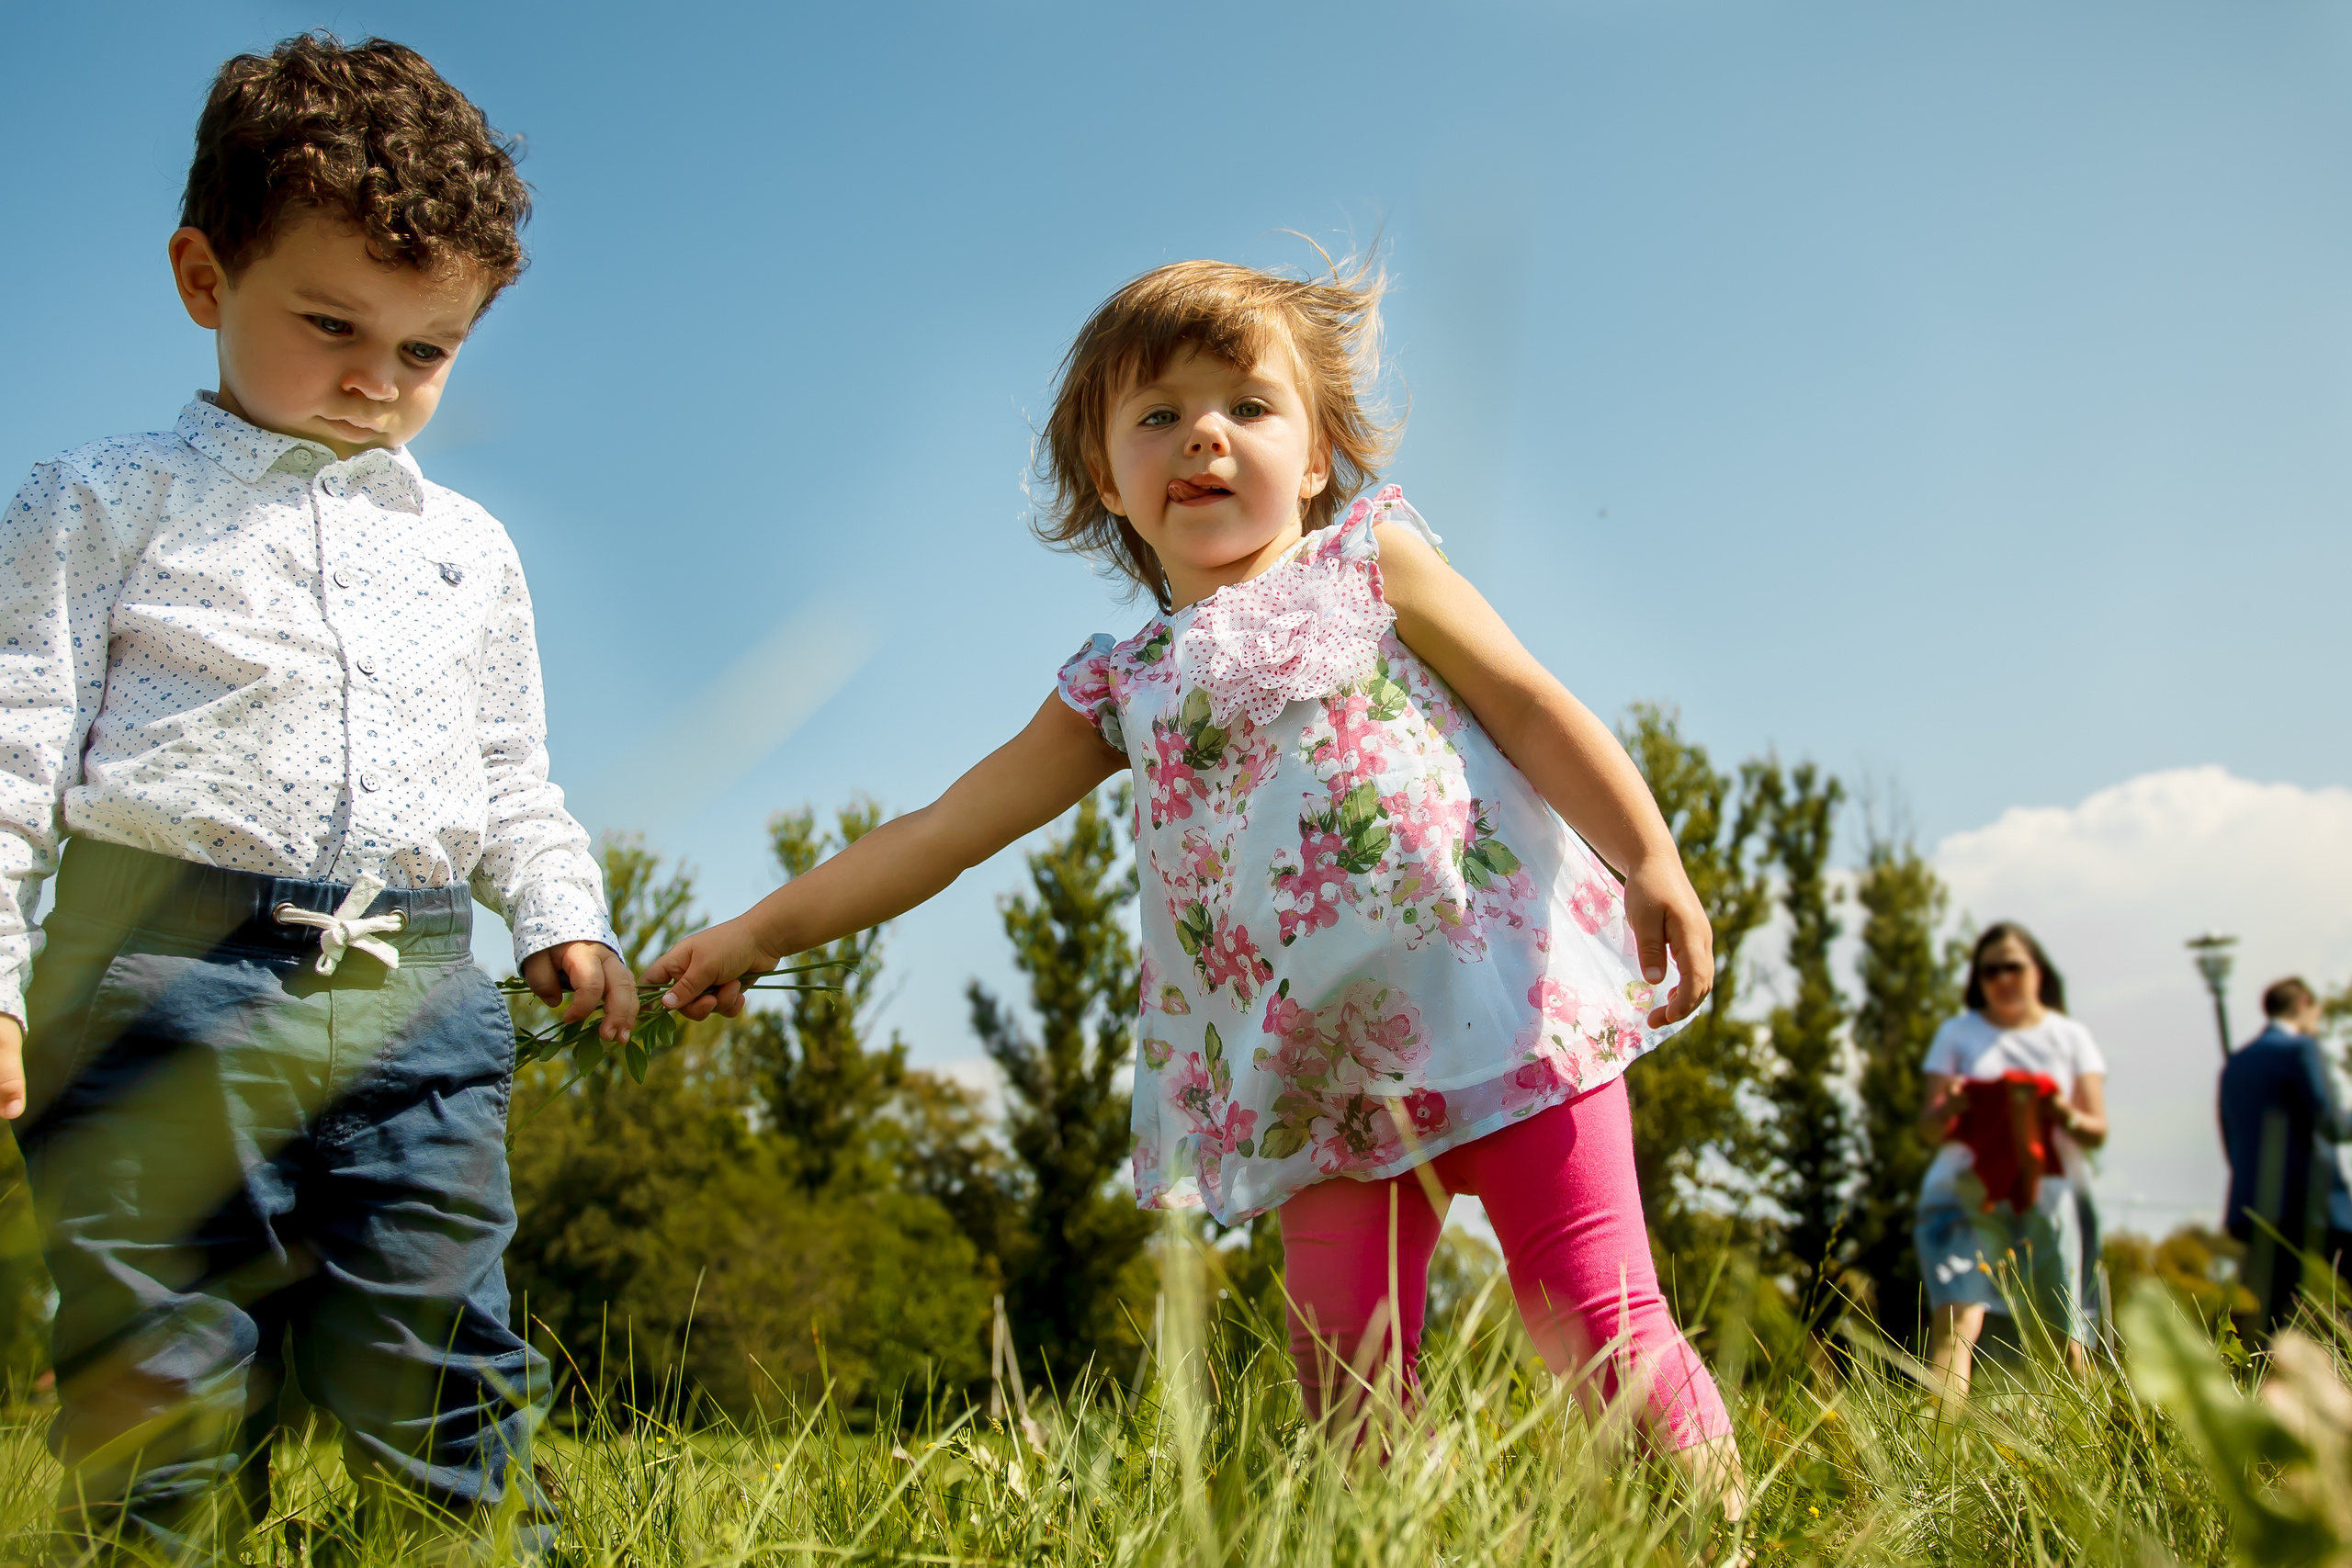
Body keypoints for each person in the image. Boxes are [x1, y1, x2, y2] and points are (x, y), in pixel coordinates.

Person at [646, 258, 1747, 1517]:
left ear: (1320, 453)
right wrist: (752, 928)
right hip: (1310, 1066)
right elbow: (945, 828)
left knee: (1596, 1316)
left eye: (1248, 406)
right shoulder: (1121, 685)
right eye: (1158, 415)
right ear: (1109, 480)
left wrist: (1648, 852)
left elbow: (1534, 705)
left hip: (1505, 999)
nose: (1205, 434)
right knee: (1347, 1384)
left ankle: (1719, 1542)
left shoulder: (1373, 565)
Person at [0, 36, 637, 1561]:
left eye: (427, 351)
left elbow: (509, 776)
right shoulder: (100, 499)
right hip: (160, 981)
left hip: (418, 1000)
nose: (375, 379)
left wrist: (562, 914)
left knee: (440, 1365)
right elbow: (15, 739)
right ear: (203, 275)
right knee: (158, 1378)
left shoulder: (469, 549)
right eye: (332, 323)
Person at [1916, 923, 2108, 1397]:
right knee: (1956, 1325)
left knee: (2062, 1338)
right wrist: (1954, 1106)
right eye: (1990, 970)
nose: (2002, 978)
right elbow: (1929, 1128)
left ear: (2037, 971)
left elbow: (2096, 1129)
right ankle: (1934, 1455)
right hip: (1964, 1192)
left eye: (2013, 967)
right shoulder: (1957, 1034)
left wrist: (2063, 1112)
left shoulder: (2069, 1036)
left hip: (2046, 1194)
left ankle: (2101, 1447)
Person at [2218, 976, 2352, 1337]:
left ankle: (2269, 1389)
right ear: (2302, 1004)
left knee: (2275, 1314)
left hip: (2254, 1208)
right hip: (2312, 1204)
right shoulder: (2300, 1049)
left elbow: (2231, 1139)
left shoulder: (2236, 1063)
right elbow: (2328, 1120)